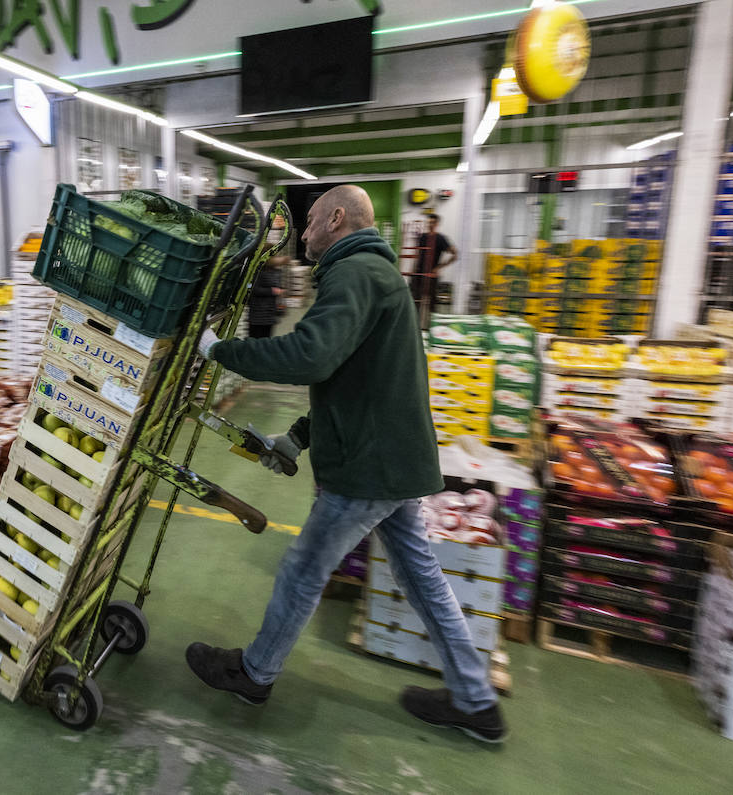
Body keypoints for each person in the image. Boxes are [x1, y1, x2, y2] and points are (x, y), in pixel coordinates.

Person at [188, 185, 506, 744]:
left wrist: (219, 350)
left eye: (310, 223)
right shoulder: (376, 276)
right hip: (392, 459)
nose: (303, 234)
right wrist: (300, 436)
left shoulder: (355, 273)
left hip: (369, 468)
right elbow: (356, 379)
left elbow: (310, 354)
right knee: (422, 579)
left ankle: (254, 674)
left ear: (337, 218)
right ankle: (477, 701)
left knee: (304, 569)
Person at [411, 213, 457, 323]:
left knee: (431, 303)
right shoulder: (422, 237)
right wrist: (414, 270)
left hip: (431, 275)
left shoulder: (441, 239)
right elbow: (418, 254)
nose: (430, 224)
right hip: (419, 274)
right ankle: (415, 325)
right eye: (429, 222)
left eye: (432, 222)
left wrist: (439, 267)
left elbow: (455, 254)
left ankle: (432, 326)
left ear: (437, 224)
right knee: (416, 300)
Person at [246, 255, 287, 339]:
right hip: (258, 313)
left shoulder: (276, 271)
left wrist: (280, 290)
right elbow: (251, 288)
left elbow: (277, 285)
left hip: (270, 313)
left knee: (266, 338)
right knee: (255, 339)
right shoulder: (257, 271)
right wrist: (272, 291)